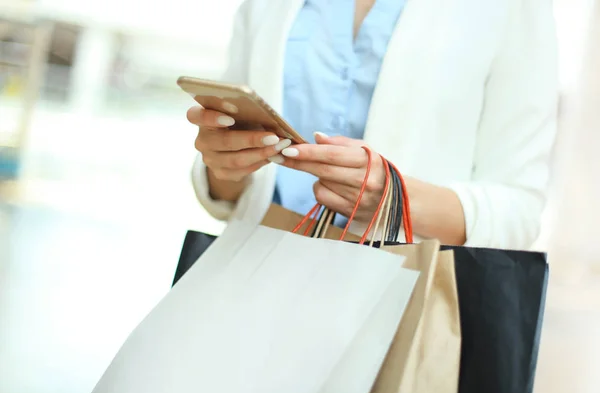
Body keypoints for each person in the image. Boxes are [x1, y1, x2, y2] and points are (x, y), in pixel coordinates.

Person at [186, 0, 558, 249]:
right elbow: (230, 185)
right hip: (253, 267)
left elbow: (519, 211)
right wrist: (224, 167)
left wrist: (396, 201)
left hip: (398, 307)